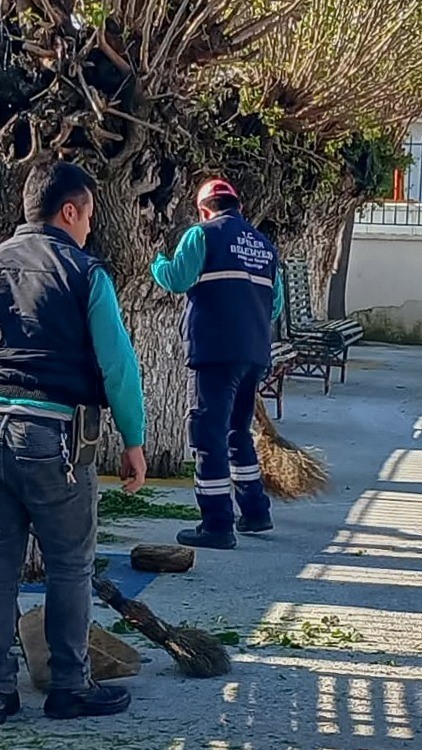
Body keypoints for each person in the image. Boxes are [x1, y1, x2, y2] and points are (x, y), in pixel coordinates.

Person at [0, 160, 148, 727]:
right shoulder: (84, 272)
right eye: (89, 216)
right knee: (69, 564)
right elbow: (118, 365)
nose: (90, 228)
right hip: (51, 436)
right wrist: (134, 439)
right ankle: (69, 686)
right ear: (68, 211)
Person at [150, 177, 285, 550]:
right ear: (238, 207)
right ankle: (255, 511)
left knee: (208, 434)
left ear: (203, 210)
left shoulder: (201, 235)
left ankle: (217, 524)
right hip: (255, 352)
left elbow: (177, 279)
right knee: (237, 431)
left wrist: (156, 262)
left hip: (214, 350)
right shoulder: (265, 246)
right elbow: (275, 305)